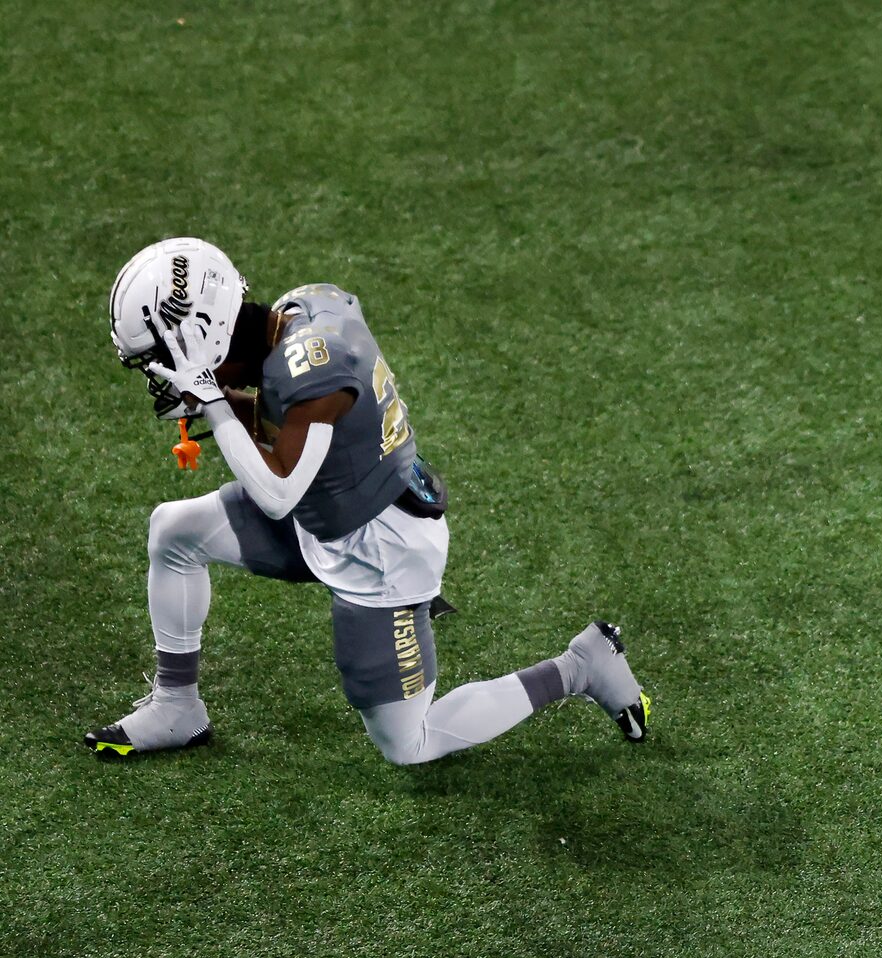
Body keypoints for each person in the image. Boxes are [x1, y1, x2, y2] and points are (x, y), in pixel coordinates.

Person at [94, 238, 645, 764]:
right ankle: (177, 706)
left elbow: (279, 491)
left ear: (204, 331)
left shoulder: (312, 369)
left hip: (380, 551)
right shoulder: (302, 310)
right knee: (173, 531)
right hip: (333, 511)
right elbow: (289, 427)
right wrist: (225, 403)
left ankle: (580, 667)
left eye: (163, 354)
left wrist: (213, 401)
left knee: (410, 744)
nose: (157, 372)